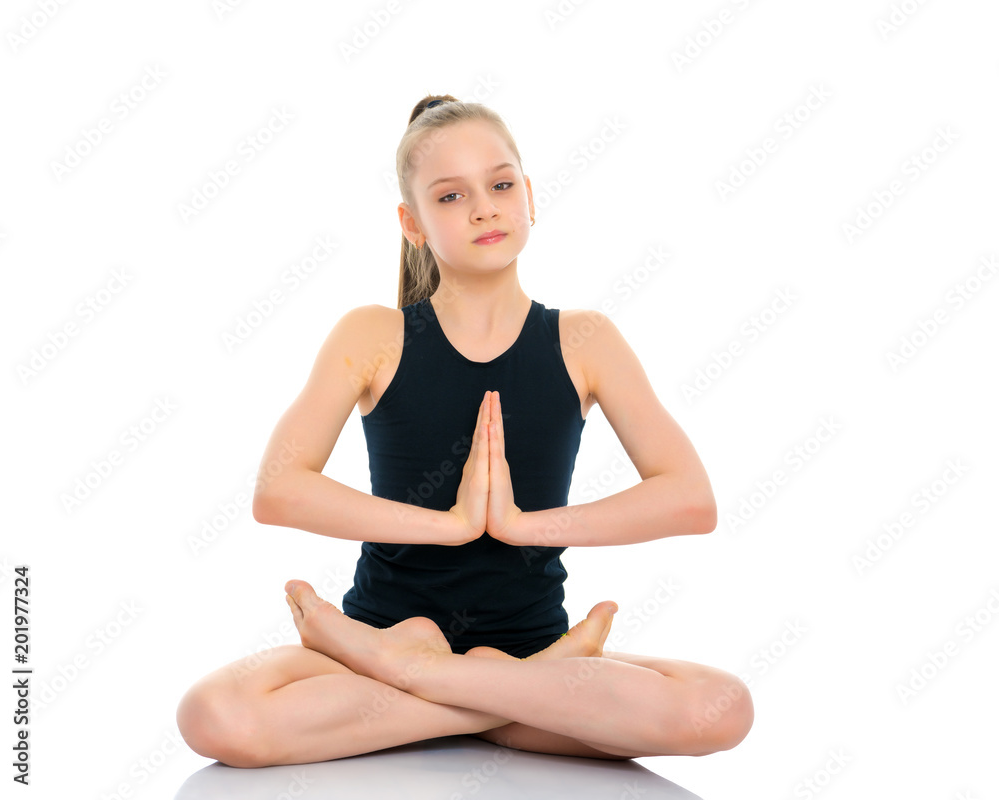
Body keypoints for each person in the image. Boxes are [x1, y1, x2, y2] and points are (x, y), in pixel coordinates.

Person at [176, 95, 754, 767]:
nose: (484, 207)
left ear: (529, 197)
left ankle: (421, 679)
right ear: (412, 223)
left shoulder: (585, 339)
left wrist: (522, 525)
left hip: (503, 652)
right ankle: (496, 702)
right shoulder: (374, 335)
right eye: (451, 197)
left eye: (501, 185)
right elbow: (278, 490)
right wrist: (449, 525)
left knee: (724, 707)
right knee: (213, 715)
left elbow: (689, 498)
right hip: (488, 665)